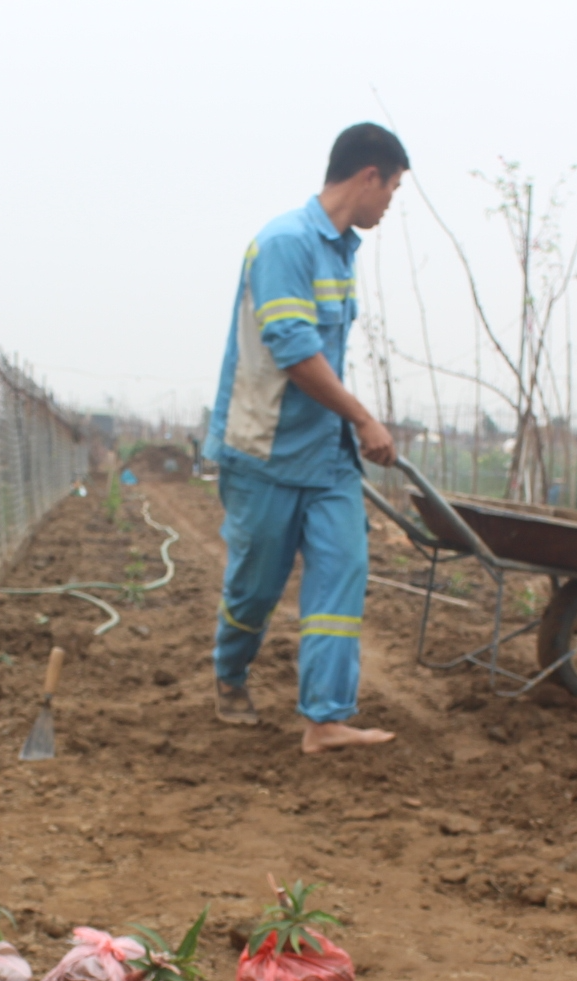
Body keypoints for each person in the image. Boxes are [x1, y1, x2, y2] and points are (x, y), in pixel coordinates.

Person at [202, 123, 406, 755]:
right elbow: (295, 352)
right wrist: (364, 418)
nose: (390, 203)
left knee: (342, 574)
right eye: (392, 189)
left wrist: (347, 427)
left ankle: (325, 719)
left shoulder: (342, 251)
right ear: (367, 176)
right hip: (263, 452)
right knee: (255, 588)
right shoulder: (285, 244)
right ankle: (230, 673)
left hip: (324, 457)